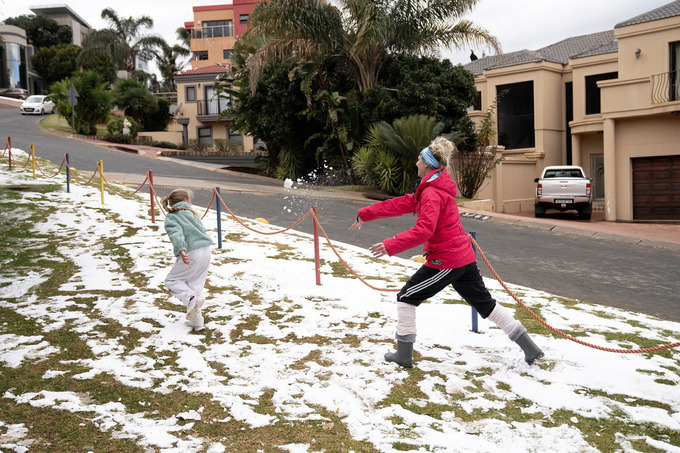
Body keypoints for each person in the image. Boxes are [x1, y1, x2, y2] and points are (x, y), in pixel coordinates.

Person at [350, 137, 544, 368]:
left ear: (428, 164)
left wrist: (391, 244)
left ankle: (403, 355)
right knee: (485, 304)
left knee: (406, 297)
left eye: (419, 159)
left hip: (447, 261)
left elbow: (424, 230)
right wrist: (365, 213)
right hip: (462, 256)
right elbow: (402, 203)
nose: (416, 162)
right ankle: (531, 349)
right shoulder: (433, 187)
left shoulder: (432, 193)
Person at [161, 189, 213, 331]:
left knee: (172, 281)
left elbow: (176, 234)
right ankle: (197, 323)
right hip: (206, 251)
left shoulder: (172, 217)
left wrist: (181, 249)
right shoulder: (193, 213)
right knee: (194, 285)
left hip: (191, 252)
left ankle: (191, 299)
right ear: (185, 200)